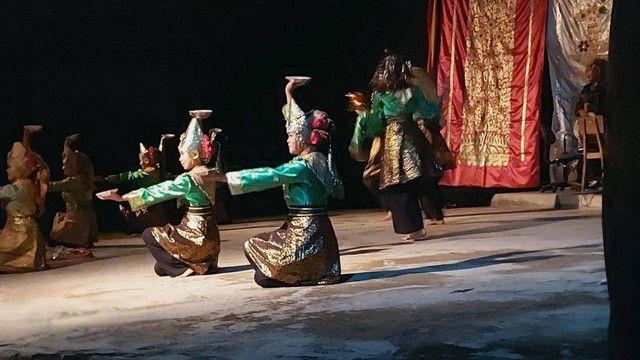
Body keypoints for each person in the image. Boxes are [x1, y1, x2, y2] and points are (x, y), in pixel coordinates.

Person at [210, 78, 344, 287]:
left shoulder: (302, 166)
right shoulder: (318, 159)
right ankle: (312, 270)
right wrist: (289, 93)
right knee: (258, 253)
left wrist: (224, 177)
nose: (287, 139)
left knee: (258, 264)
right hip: (317, 234)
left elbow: (270, 175)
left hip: (307, 235)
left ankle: (307, 272)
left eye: (291, 135)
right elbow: (297, 119)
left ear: (305, 137)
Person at [98, 110, 221, 278]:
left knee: (149, 234)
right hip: (211, 240)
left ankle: (189, 267)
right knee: (160, 268)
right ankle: (202, 262)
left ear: (194, 154)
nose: (179, 159)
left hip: (197, 236)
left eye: (182, 154)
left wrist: (123, 198)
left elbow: (160, 191)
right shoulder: (211, 173)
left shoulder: (188, 179)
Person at [349, 49, 441, 242]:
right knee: (413, 180)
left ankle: (415, 226)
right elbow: (428, 111)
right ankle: (419, 224)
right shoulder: (413, 91)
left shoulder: (380, 94)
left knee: (397, 184)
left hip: (394, 138)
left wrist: (368, 127)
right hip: (413, 135)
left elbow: (375, 121)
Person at [98, 135, 175, 234]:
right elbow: (161, 155)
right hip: (158, 200)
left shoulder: (146, 173)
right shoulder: (159, 171)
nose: (140, 162)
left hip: (146, 199)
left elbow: (127, 176)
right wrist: (162, 141)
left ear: (146, 161)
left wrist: (107, 179)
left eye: (141, 160)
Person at [0, 125, 49, 273]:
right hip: (32, 233)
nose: (7, 170)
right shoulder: (32, 185)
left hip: (16, 234)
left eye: (9, 166)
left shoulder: (14, 189)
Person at [48, 134, 98, 250]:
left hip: (76, 221)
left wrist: (39, 182)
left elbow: (53, 186)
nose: (63, 168)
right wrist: (66, 144)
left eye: (66, 165)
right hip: (84, 219)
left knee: (55, 237)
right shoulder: (84, 178)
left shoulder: (73, 181)